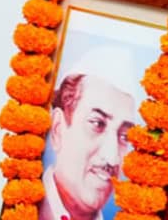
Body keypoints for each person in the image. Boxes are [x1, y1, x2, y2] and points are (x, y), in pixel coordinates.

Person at [41, 46, 141, 220]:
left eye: (124, 136)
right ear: (57, 129)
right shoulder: (22, 200)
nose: (112, 158)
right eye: (97, 123)